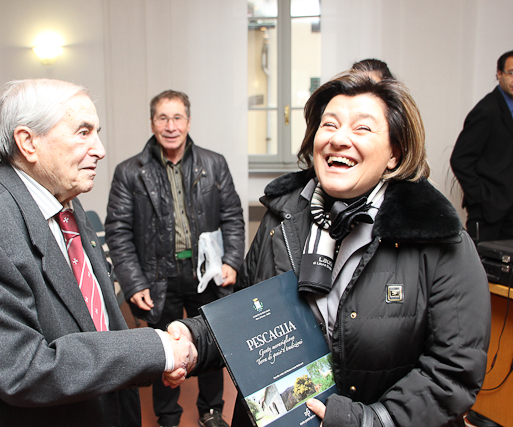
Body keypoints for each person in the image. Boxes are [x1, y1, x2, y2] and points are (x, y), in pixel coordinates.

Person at [168, 71, 491, 427]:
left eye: (362, 128)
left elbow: (453, 369)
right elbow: (245, 320)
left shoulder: (438, 236)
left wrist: (369, 421)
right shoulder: (281, 219)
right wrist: (194, 340)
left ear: (395, 154)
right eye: (329, 125)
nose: (338, 139)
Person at [0, 79, 196, 427]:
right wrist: (156, 348)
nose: (100, 149)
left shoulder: (63, 202)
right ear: (28, 142)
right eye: (83, 132)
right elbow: (23, 369)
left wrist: (153, 358)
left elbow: (95, 320)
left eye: (97, 133)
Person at [105, 90, 245, 427]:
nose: (171, 126)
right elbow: (118, 231)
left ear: (188, 121)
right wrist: (133, 282)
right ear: (152, 123)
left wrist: (231, 260)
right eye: (163, 118)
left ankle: (211, 411)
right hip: (157, 276)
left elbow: (232, 217)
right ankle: (167, 416)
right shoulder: (129, 172)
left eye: (177, 117)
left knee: (211, 341)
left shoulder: (214, 164)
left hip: (206, 273)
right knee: (164, 348)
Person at [451, 50, 513, 243]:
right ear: (499, 74)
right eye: (511, 72)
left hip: (509, 213)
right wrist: (481, 198)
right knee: (483, 261)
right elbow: (460, 159)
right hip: (489, 212)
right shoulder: (487, 109)